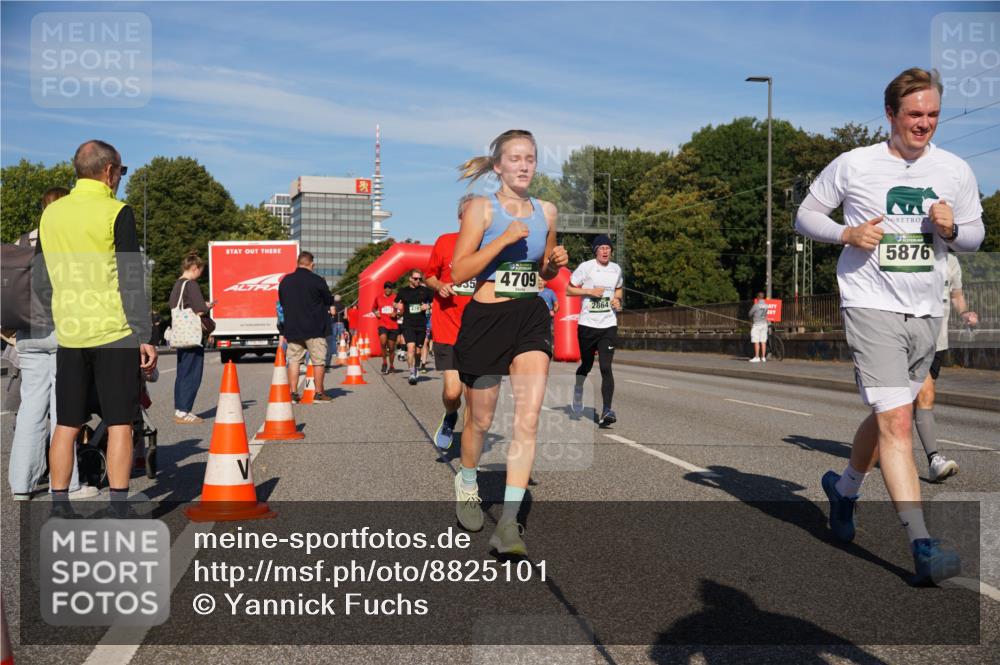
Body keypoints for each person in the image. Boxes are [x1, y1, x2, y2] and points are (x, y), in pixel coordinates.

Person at [795, 68, 985, 585]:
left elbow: (974, 236)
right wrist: (846, 232)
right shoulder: (855, 165)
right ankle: (921, 543)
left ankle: (846, 487)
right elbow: (805, 216)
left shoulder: (954, 170)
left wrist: (952, 228)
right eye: (914, 115)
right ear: (891, 115)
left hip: (927, 311)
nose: (924, 124)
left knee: (890, 413)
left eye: (932, 115)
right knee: (898, 422)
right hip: (869, 304)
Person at [451, 129, 568, 555]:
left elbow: (545, 271)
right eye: (515, 158)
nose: (524, 165)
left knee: (528, 420)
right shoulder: (481, 209)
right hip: (486, 317)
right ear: (497, 165)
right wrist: (502, 240)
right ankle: (467, 480)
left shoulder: (547, 211)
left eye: (531, 158)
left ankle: (509, 525)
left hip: (530, 315)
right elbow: (459, 272)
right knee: (480, 421)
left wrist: (556, 262)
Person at [39, 140, 156, 515]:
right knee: (120, 422)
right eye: (121, 171)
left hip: (70, 331)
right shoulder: (117, 211)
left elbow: (42, 280)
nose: (120, 178)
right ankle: (119, 508)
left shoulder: (52, 214)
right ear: (109, 172)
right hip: (113, 331)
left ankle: (59, 507)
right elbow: (130, 277)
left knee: (67, 423)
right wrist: (143, 335)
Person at [9, 187, 99, 501]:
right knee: (66, 411)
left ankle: (21, 484)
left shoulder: (24, 240)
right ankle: (67, 483)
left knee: (31, 409)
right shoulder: (71, 237)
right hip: (64, 330)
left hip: (27, 330)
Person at [914, 252, 978, 482]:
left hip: (938, 341)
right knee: (920, 396)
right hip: (911, 337)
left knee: (918, 399)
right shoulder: (913, 252)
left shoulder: (951, 261)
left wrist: (964, 312)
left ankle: (880, 447)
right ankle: (934, 459)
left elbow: (956, 294)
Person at [424, 194, 477, 449]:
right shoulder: (445, 242)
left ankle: (469, 448)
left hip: (480, 331)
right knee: (453, 393)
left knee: (474, 397)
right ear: (460, 218)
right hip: (448, 328)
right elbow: (429, 276)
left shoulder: (489, 247)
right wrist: (440, 286)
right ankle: (449, 415)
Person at [567, 234, 623, 427]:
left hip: (608, 324)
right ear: (596, 251)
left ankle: (607, 410)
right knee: (587, 365)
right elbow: (569, 289)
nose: (605, 250)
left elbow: (619, 289)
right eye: (601, 247)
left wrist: (617, 300)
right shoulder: (586, 267)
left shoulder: (616, 269)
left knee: (606, 368)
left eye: (608, 247)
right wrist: (589, 291)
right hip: (587, 325)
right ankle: (578, 389)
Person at [278, 251, 334, 402]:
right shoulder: (317, 280)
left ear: (298, 263)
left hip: (293, 328)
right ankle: (319, 393)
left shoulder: (286, 281)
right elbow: (329, 300)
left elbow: (282, 303)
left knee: (294, 360)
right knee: (318, 361)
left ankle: (293, 394)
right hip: (315, 328)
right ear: (311, 264)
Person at [169, 253, 215, 423]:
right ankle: (184, 411)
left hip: (181, 335)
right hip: (191, 336)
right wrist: (207, 306)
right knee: (192, 372)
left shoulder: (177, 285)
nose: (199, 275)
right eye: (200, 271)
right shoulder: (191, 285)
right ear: (194, 268)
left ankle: (180, 408)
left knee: (182, 372)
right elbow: (199, 310)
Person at [395, 270, 433, 385]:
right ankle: (411, 373)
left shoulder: (426, 291)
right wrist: (398, 305)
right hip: (408, 324)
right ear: (410, 279)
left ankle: (416, 367)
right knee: (410, 348)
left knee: (418, 351)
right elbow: (395, 302)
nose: (418, 281)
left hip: (421, 324)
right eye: (415, 279)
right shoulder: (403, 291)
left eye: (420, 279)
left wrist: (429, 305)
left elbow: (436, 302)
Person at [372, 281, 399, 374]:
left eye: (390, 288)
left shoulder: (396, 297)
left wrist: (396, 313)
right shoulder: (378, 298)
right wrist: (376, 313)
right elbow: (373, 308)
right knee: (383, 342)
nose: (388, 289)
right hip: (382, 324)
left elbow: (402, 309)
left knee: (391, 348)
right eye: (386, 287)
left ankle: (391, 365)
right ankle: (384, 362)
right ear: (384, 289)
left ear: (392, 289)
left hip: (393, 325)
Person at [326, 293, 346, 368]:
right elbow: (345, 316)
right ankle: (340, 352)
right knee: (342, 339)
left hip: (334, 323)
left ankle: (334, 352)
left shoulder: (332, 305)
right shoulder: (344, 306)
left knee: (333, 338)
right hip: (341, 323)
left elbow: (332, 313)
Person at [748, 292, 769, 363]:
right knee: (763, 341)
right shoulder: (766, 305)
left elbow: (750, 313)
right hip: (764, 324)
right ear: (763, 297)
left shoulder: (756, 305)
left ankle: (757, 357)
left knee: (756, 341)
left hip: (757, 324)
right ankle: (763, 357)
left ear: (758, 297)